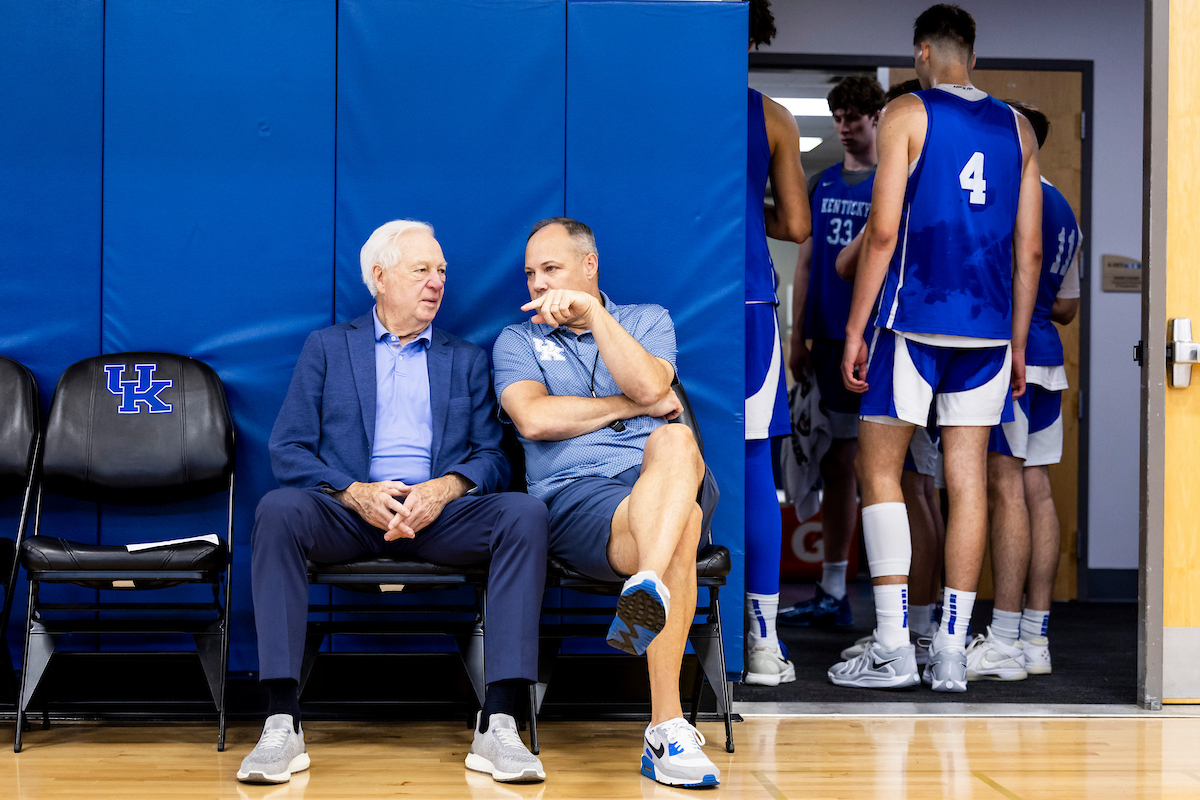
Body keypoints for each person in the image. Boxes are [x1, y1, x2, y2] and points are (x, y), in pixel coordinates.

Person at [238, 220, 549, 784]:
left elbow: (493, 457)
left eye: (442, 272)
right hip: (351, 512)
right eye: (422, 271)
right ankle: (281, 720)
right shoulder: (329, 347)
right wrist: (353, 492)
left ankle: (500, 720)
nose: (436, 283)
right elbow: (288, 448)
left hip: (440, 515)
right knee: (278, 512)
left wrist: (443, 489)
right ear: (379, 278)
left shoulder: (466, 358)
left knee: (523, 514)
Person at [826, 4, 1042, 693]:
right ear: (971, 53)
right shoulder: (1017, 128)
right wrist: (1015, 338)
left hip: (913, 320)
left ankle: (893, 642)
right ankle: (951, 648)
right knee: (968, 480)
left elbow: (882, 233)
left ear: (923, 52)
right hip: (986, 328)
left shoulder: (908, 114)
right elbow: (1030, 251)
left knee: (880, 468)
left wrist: (857, 328)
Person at [493, 218, 722, 789]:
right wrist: (629, 407)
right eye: (530, 274)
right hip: (575, 495)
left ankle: (646, 585)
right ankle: (666, 729)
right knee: (684, 520)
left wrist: (596, 317)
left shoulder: (647, 320)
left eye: (551, 270)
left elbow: (654, 387)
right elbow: (534, 418)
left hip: (653, 479)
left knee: (675, 440)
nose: (538, 285)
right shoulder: (517, 340)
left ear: (588, 267)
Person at [969, 102, 1081, 681]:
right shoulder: (1065, 205)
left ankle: (1006, 638)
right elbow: (1065, 304)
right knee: (1036, 489)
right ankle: (1034, 639)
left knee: (1006, 487)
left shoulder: (1015, 195)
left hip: (1010, 355)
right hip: (1048, 359)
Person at [779, 75, 886, 633]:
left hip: (866, 338)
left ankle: (845, 589)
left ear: (876, 120)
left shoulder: (889, 184)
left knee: (860, 464)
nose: (845, 126)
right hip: (822, 337)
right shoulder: (822, 183)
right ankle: (833, 587)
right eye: (839, 117)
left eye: (855, 117)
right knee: (830, 459)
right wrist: (797, 333)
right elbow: (806, 260)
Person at [743, 0, 813, 687]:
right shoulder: (772, 115)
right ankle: (762, 643)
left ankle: (645, 639)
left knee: (648, 462)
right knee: (754, 465)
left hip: (660, 304)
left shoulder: (659, 93)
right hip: (745, 299)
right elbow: (795, 223)